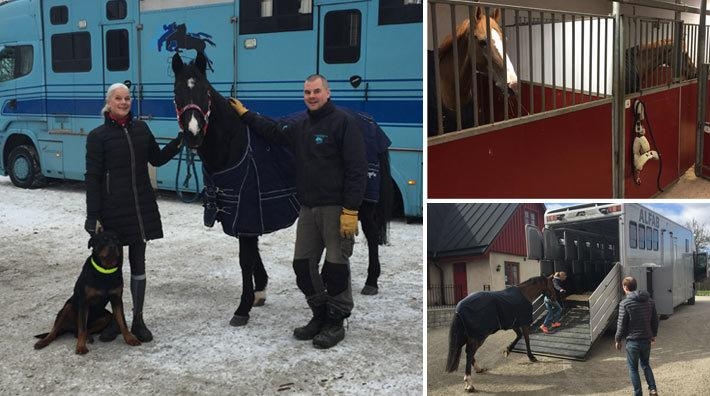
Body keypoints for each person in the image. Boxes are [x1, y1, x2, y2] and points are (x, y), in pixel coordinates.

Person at [229, 74, 367, 349]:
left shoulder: (343, 122)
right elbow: (274, 131)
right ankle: (319, 314)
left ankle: (336, 320)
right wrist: (246, 115)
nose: (312, 96)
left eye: (316, 91)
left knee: (336, 268)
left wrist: (351, 210)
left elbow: (357, 169)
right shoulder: (301, 125)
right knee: (302, 266)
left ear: (327, 93)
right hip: (308, 208)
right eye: (307, 92)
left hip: (336, 208)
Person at [84, 82, 183, 342]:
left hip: (140, 210)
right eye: (118, 98)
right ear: (109, 102)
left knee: (138, 266)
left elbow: (156, 159)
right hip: (112, 212)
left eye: (127, 98)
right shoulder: (97, 136)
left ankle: (138, 319)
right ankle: (116, 321)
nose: (124, 102)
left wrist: (179, 141)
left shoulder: (141, 129)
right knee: (110, 271)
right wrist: (92, 215)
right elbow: (93, 178)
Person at [615, 276, 659, 396]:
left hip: (632, 341)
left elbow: (621, 325)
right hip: (646, 339)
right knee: (645, 364)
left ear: (625, 287)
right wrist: (653, 334)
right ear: (635, 285)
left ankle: (638, 394)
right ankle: (653, 389)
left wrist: (618, 340)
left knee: (633, 369)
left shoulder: (625, 303)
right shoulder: (650, 301)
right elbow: (655, 320)